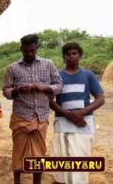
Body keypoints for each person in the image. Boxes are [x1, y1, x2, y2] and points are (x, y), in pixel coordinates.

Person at [3, 34, 63, 184]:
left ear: (36, 48)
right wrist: (17, 91)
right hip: (21, 117)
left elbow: (59, 85)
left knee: (39, 153)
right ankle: (17, 181)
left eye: (32, 50)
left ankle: (37, 181)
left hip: (41, 117)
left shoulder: (48, 64)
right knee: (18, 152)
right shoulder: (12, 68)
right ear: (21, 49)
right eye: (26, 51)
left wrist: (43, 88)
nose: (29, 54)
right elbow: (6, 91)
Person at [50, 43, 105, 184]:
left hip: (84, 123)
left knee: (81, 156)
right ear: (64, 57)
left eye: (74, 53)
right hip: (63, 123)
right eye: (68, 54)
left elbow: (100, 99)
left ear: (80, 55)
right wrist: (68, 114)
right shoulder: (57, 76)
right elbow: (50, 101)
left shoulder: (88, 75)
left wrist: (81, 113)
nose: (71, 56)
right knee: (61, 156)